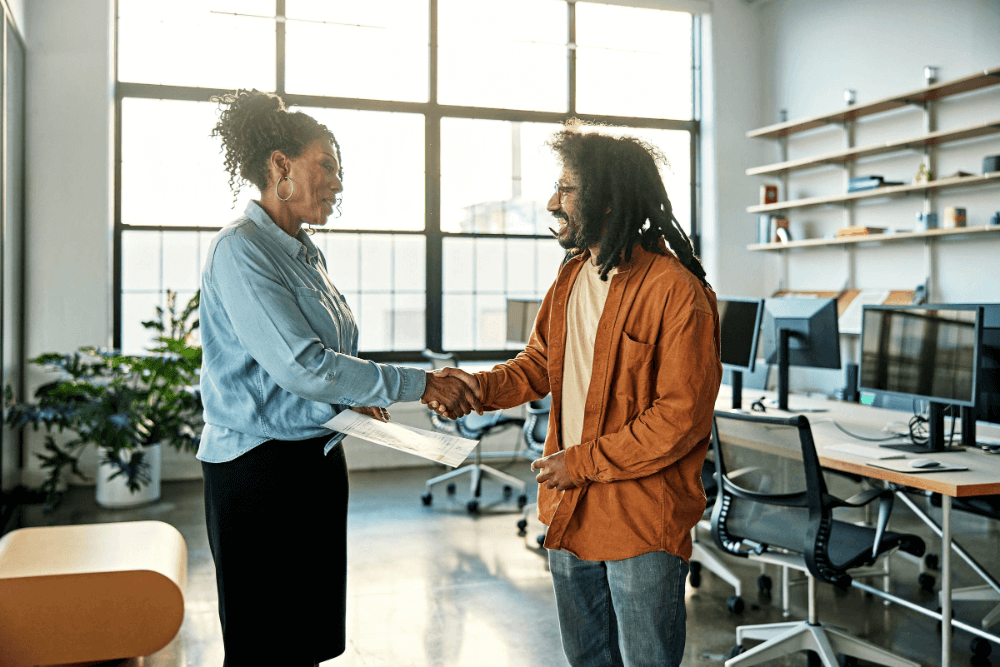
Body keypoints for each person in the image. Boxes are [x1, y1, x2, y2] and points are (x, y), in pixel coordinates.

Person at [199, 89, 480, 666]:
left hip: (317, 459)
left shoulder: (306, 254)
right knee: (264, 645)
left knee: (308, 639)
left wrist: (355, 402)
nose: (338, 182)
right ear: (280, 165)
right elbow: (302, 365)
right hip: (259, 473)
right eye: (325, 164)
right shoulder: (241, 251)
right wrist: (421, 384)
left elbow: (325, 361)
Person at [431, 122, 722, 667]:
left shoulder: (677, 290)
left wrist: (582, 463)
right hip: (571, 508)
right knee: (588, 659)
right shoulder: (571, 277)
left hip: (639, 519)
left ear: (607, 200)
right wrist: (475, 389)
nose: (551, 202)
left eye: (566, 189)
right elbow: (540, 363)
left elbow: (679, 418)